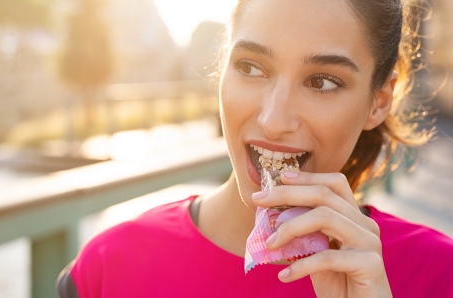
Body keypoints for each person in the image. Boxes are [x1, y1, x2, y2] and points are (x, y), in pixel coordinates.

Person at [57, 0, 453, 297]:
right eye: (251, 67)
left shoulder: (438, 275)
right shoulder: (108, 268)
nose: (273, 119)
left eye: (322, 82)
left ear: (379, 101)